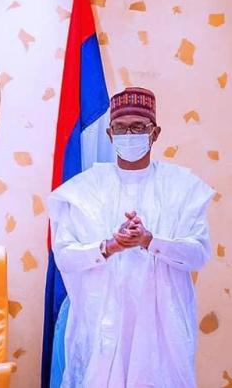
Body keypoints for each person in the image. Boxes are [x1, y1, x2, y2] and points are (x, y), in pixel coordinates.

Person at [48, 87, 214, 388]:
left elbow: (198, 254)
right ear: (110, 134)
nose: (129, 135)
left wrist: (151, 242)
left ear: (155, 133)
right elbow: (65, 257)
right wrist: (108, 247)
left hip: (162, 330)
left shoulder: (182, 188)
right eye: (121, 128)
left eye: (138, 127)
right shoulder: (84, 190)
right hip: (101, 323)